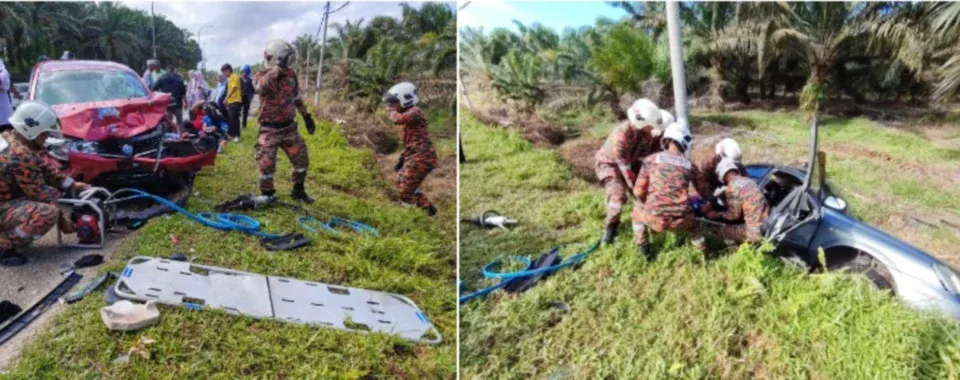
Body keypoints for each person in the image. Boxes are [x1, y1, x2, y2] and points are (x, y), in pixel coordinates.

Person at [0, 101, 91, 266]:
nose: (47, 138)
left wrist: (73, 185)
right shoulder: (19, 155)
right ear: (30, 130)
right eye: (44, 133)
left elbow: (46, 169)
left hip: (5, 199)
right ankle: (3, 245)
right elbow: (39, 194)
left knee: (53, 194)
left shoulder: (10, 137)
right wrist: (62, 221)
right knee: (47, 214)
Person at [253, 39, 317, 203]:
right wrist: (277, 69)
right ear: (277, 58)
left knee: (301, 159)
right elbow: (259, 87)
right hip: (269, 129)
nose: (289, 62)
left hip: (289, 128)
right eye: (286, 58)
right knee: (266, 163)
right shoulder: (262, 75)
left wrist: (307, 116)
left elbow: (296, 97)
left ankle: (298, 190)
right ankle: (267, 193)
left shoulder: (290, 75)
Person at [595, 98, 664, 244]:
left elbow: (650, 157)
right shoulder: (620, 137)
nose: (652, 129)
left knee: (647, 189)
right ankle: (611, 227)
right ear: (641, 123)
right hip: (611, 165)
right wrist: (636, 190)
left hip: (631, 163)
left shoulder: (646, 134)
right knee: (618, 196)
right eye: (650, 126)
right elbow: (626, 172)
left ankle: (648, 219)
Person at [631, 122, 704, 259]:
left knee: (636, 213)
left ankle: (644, 250)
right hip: (681, 221)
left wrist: (649, 204)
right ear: (684, 142)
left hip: (654, 218)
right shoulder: (690, 165)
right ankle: (702, 254)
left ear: (665, 140)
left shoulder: (650, 160)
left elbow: (638, 192)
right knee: (694, 227)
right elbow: (703, 191)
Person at [384, 82, 438, 216]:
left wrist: (391, 111)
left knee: (404, 190)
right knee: (401, 182)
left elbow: (399, 119)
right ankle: (427, 209)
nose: (391, 106)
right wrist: (402, 158)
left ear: (405, 99)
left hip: (422, 157)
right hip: (414, 155)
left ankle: (419, 213)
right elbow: (410, 141)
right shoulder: (407, 113)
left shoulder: (415, 112)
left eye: (393, 103)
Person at [705, 158, 769, 244]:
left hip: (754, 231)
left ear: (721, 176)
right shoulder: (749, 180)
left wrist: (716, 214)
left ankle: (732, 249)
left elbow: (733, 216)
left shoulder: (732, 187)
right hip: (766, 224)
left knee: (720, 230)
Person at [692, 138, 746, 208]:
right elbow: (701, 184)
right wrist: (712, 200)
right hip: (710, 185)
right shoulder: (705, 165)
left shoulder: (734, 160)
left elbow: (744, 177)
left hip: (724, 184)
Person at [0, 59, 23, 132]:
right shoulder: (4, 74)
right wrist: (19, 96)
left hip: (5, 115)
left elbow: (7, 86)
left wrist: (19, 96)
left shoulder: (3, 74)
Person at [222, 64, 242, 142]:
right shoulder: (229, 78)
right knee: (231, 119)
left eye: (224, 72)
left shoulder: (234, 77)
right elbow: (229, 91)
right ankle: (231, 135)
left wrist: (226, 99)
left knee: (234, 119)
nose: (224, 74)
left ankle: (236, 136)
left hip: (235, 101)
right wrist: (227, 100)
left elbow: (234, 88)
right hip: (231, 101)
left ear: (228, 70)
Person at [240, 65, 255, 130]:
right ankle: (237, 124)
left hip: (247, 98)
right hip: (240, 98)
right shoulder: (239, 79)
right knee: (238, 112)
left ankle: (244, 125)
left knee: (245, 112)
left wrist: (251, 96)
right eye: (242, 71)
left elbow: (252, 90)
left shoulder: (250, 80)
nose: (243, 73)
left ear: (247, 72)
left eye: (244, 72)